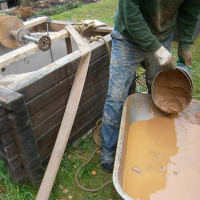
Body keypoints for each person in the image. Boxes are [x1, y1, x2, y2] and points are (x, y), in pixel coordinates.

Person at [100, 0, 200, 173]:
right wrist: (156, 49)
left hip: (162, 36)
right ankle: (108, 149)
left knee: (160, 92)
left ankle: (157, 142)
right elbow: (129, 13)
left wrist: (184, 46)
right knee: (116, 96)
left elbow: (190, 12)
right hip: (127, 39)